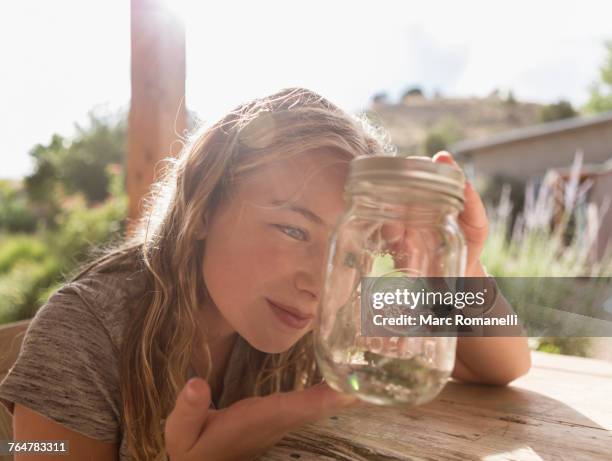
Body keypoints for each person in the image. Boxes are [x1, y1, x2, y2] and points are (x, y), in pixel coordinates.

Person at [0, 87, 531, 461]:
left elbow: (500, 366)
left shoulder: (333, 303)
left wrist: (461, 268)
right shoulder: (83, 332)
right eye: (293, 231)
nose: (319, 285)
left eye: (348, 248)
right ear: (202, 208)